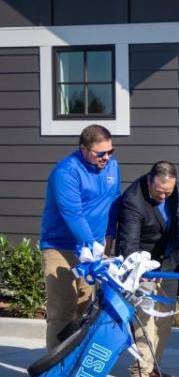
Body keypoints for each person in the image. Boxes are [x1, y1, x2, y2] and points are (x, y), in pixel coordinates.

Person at [39, 124, 121, 352]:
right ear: (84, 149)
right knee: (62, 311)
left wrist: (109, 239)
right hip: (61, 248)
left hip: (93, 249)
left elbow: (114, 203)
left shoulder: (112, 167)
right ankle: (56, 372)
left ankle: (82, 373)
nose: (106, 157)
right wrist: (93, 246)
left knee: (87, 310)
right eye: (100, 153)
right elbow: (73, 214)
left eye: (110, 151)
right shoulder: (66, 172)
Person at [116, 161, 179, 377]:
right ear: (149, 180)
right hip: (141, 268)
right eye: (160, 191)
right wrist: (144, 273)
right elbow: (129, 245)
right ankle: (139, 372)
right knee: (144, 321)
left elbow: (173, 230)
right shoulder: (133, 201)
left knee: (164, 319)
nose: (164, 196)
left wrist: (171, 262)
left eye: (169, 191)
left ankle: (152, 366)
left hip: (168, 264)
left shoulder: (171, 192)